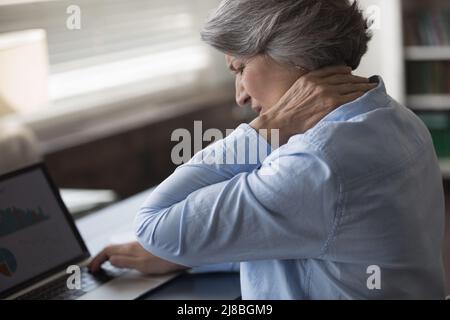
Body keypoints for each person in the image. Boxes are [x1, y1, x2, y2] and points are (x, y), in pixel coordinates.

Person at [90, 0, 446, 299]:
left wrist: (268, 128)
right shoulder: (394, 117)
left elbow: (155, 226)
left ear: (295, 57)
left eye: (240, 68)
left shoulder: (317, 162)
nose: (240, 94)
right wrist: (187, 256)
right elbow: (318, 239)